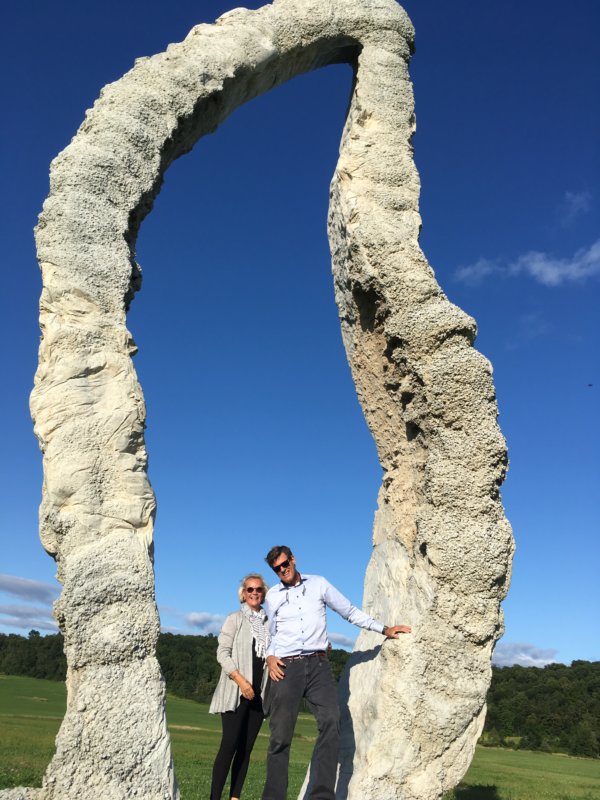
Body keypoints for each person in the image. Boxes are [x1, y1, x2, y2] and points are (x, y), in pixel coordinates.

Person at [261, 545, 411, 800]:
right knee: (280, 736)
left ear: (294, 560)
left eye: (285, 564)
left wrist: (383, 629)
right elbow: (272, 634)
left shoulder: (319, 584)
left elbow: (349, 611)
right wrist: (269, 656)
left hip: (319, 665)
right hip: (286, 668)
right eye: (276, 569)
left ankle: (321, 796)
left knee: (331, 721)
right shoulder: (273, 596)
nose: (282, 570)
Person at [209, 573, 270, 800]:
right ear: (243, 594)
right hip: (236, 692)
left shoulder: (269, 624)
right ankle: (215, 797)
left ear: (264, 593)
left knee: (246, 749)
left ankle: (235, 797)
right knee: (230, 745)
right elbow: (222, 653)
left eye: (258, 589)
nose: (254, 593)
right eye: (250, 589)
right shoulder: (234, 618)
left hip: (258, 696)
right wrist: (242, 681)